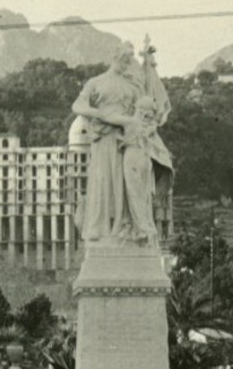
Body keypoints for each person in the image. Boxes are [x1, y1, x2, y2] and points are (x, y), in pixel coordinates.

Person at [70, 38, 175, 247]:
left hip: (127, 143)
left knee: (127, 188)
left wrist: (149, 65)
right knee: (105, 184)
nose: (128, 62)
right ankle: (105, 232)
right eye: (126, 57)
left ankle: (126, 228)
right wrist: (103, 115)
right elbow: (78, 105)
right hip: (103, 143)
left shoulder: (133, 85)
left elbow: (150, 101)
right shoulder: (96, 82)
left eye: (130, 58)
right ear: (115, 56)